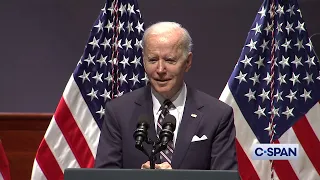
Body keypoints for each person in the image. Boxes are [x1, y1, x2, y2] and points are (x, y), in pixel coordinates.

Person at [94, 21, 238, 170]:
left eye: (170, 60)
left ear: (188, 62)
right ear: (143, 60)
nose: (160, 69)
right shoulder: (118, 112)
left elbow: (226, 176)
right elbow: (104, 175)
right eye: (153, 60)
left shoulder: (217, 115)